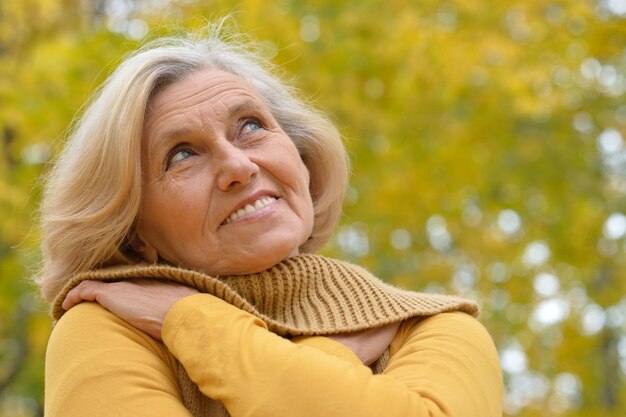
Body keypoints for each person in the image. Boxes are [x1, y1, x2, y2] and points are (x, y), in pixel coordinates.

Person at [39, 22, 502, 417]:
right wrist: (331, 355)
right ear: (135, 233)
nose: (238, 166)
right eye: (182, 155)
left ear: (302, 158)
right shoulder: (105, 328)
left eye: (251, 126)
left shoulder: (438, 328)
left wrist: (191, 320)